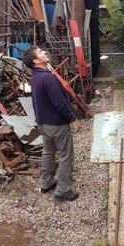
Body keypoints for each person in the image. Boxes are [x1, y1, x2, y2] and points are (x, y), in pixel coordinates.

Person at [22, 46, 81, 202]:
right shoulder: (48, 78)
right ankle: (63, 190)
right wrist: (73, 119)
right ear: (36, 61)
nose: (44, 53)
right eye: (40, 52)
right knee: (66, 156)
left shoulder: (35, 76)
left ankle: (46, 183)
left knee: (48, 153)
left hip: (42, 123)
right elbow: (60, 103)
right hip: (57, 125)